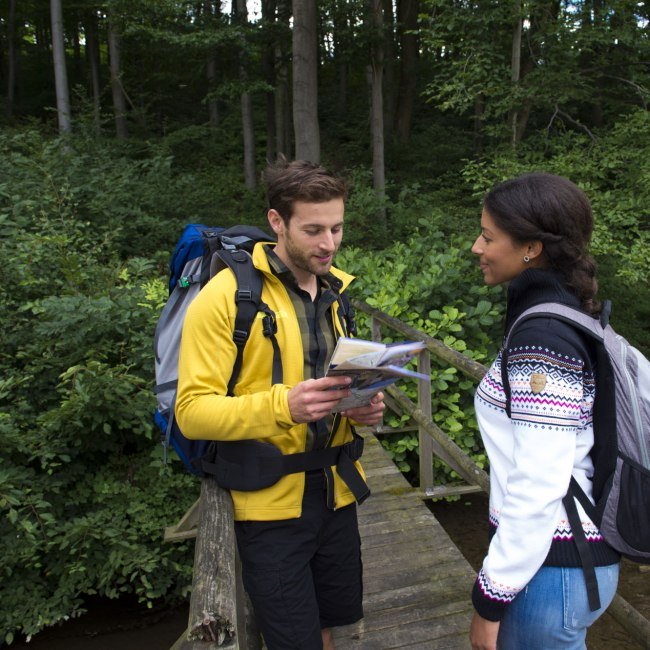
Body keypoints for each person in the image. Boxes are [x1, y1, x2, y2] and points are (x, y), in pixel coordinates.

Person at [175, 157, 385, 650]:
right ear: (277, 222)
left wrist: (361, 409)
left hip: (337, 494)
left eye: (336, 228)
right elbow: (192, 411)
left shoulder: (336, 294)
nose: (329, 244)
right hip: (268, 508)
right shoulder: (227, 297)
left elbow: (333, 386)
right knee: (295, 639)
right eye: (313, 230)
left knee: (337, 625)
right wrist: (282, 406)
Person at [468, 172, 620, 650]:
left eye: (489, 236)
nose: (477, 247)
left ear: (531, 247)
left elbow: (538, 483)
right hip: (571, 562)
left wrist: (490, 598)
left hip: (553, 570)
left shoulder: (543, 339)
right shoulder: (565, 312)